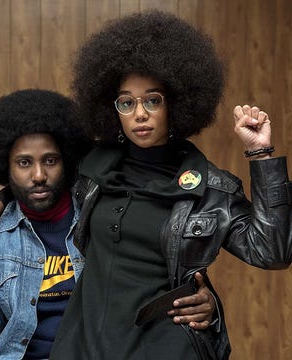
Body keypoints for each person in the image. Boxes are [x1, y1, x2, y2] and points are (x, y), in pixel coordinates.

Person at [45, 10, 291, 360]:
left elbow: (272, 252)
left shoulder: (211, 190)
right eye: (127, 102)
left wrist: (260, 153)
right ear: (113, 109)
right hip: (83, 344)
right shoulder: (90, 170)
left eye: (152, 99)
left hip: (163, 347)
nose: (139, 113)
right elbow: (35, 185)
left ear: (174, 103)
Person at [0, 89, 216, 360]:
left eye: (50, 160)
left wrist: (204, 300)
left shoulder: (102, 217)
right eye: (24, 163)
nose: (38, 175)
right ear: (5, 169)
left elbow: (155, 274)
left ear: (67, 162)